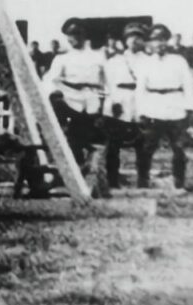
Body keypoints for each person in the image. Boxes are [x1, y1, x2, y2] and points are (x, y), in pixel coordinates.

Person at [135, 23, 193, 189]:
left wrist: (189, 108)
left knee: (178, 148)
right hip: (153, 108)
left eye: (163, 39)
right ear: (150, 42)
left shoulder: (179, 61)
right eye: (155, 40)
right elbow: (140, 89)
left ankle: (179, 181)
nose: (159, 44)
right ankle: (142, 180)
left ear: (168, 41)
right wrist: (141, 111)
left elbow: (188, 85)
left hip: (175, 107)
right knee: (147, 147)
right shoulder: (145, 63)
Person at [43, 18, 107, 164]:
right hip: (70, 98)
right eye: (71, 35)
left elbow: (106, 82)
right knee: (73, 137)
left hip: (92, 99)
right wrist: (54, 92)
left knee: (91, 138)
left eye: (78, 34)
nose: (74, 38)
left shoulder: (98, 58)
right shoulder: (62, 59)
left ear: (85, 35)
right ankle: (74, 164)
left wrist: (105, 99)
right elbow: (50, 80)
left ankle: (89, 165)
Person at [103, 23, 148, 188]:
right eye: (131, 37)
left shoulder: (149, 61)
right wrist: (114, 102)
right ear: (125, 40)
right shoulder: (115, 61)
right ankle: (112, 181)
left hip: (140, 103)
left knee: (143, 146)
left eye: (139, 37)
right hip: (119, 102)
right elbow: (107, 84)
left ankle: (143, 180)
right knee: (113, 146)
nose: (135, 41)